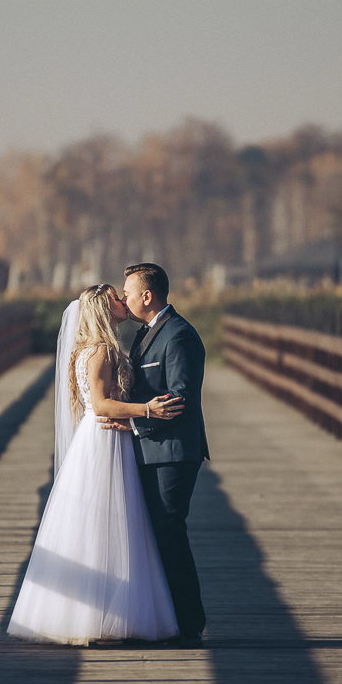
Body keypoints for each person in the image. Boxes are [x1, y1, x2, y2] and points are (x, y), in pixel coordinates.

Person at [7, 284, 185, 645]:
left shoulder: (89, 349)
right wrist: (148, 409)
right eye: (117, 300)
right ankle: (104, 616)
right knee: (110, 522)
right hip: (105, 438)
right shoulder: (101, 351)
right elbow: (101, 405)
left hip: (105, 437)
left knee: (105, 523)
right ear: (105, 310)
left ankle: (98, 612)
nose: (123, 302)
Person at [101, 263, 210, 647]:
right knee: (158, 534)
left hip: (173, 454)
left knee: (169, 532)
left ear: (147, 296)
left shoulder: (178, 336)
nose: (125, 300)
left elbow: (180, 396)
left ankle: (189, 625)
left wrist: (135, 424)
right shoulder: (147, 334)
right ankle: (167, 619)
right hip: (153, 450)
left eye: (129, 293)